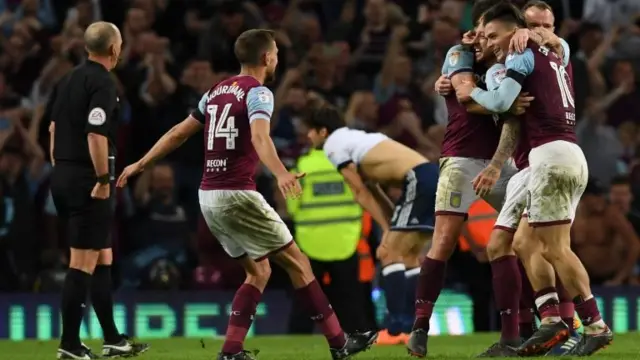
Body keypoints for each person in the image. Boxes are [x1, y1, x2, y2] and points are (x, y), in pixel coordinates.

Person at [116, 29, 377, 360]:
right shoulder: (259, 93)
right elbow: (260, 137)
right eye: (277, 53)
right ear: (267, 57)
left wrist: (141, 162)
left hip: (209, 196)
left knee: (260, 271)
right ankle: (340, 344)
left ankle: (231, 350)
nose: (278, 59)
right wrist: (281, 173)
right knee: (299, 264)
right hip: (238, 193)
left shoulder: (215, 91)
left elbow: (179, 132)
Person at [457, 3, 612, 356]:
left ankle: (595, 325)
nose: (493, 42)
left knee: (555, 248)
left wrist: (472, 94)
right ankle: (552, 319)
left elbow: (504, 101)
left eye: (497, 35)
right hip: (558, 156)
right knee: (524, 243)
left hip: (550, 157)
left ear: (514, 31)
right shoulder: (556, 54)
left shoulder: (522, 53)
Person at [405, 0, 527, 356]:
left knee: (525, 241)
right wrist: (506, 102)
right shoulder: (460, 53)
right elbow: (464, 94)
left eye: (492, 34)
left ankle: (518, 331)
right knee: (443, 242)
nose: (485, 40)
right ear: (474, 30)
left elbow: (512, 115)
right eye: (481, 32)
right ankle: (420, 327)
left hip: (500, 161)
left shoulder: (512, 61)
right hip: (459, 158)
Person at [47, 21, 148, 360]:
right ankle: (70, 345)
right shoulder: (102, 81)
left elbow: (53, 128)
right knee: (83, 262)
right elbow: (95, 134)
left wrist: (62, 167)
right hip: (88, 181)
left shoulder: (69, 78)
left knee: (103, 256)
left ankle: (113, 339)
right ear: (114, 50)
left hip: (64, 174)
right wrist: (102, 179)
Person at [304, 101, 439, 345]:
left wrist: (387, 230)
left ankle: (396, 329)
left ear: (323, 131)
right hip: (428, 178)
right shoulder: (357, 140)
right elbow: (373, 189)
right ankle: (412, 327)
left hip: (417, 180)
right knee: (408, 256)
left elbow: (360, 193)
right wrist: (391, 224)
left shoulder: (333, 146)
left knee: (388, 252)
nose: (307, 135)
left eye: (311, 130)